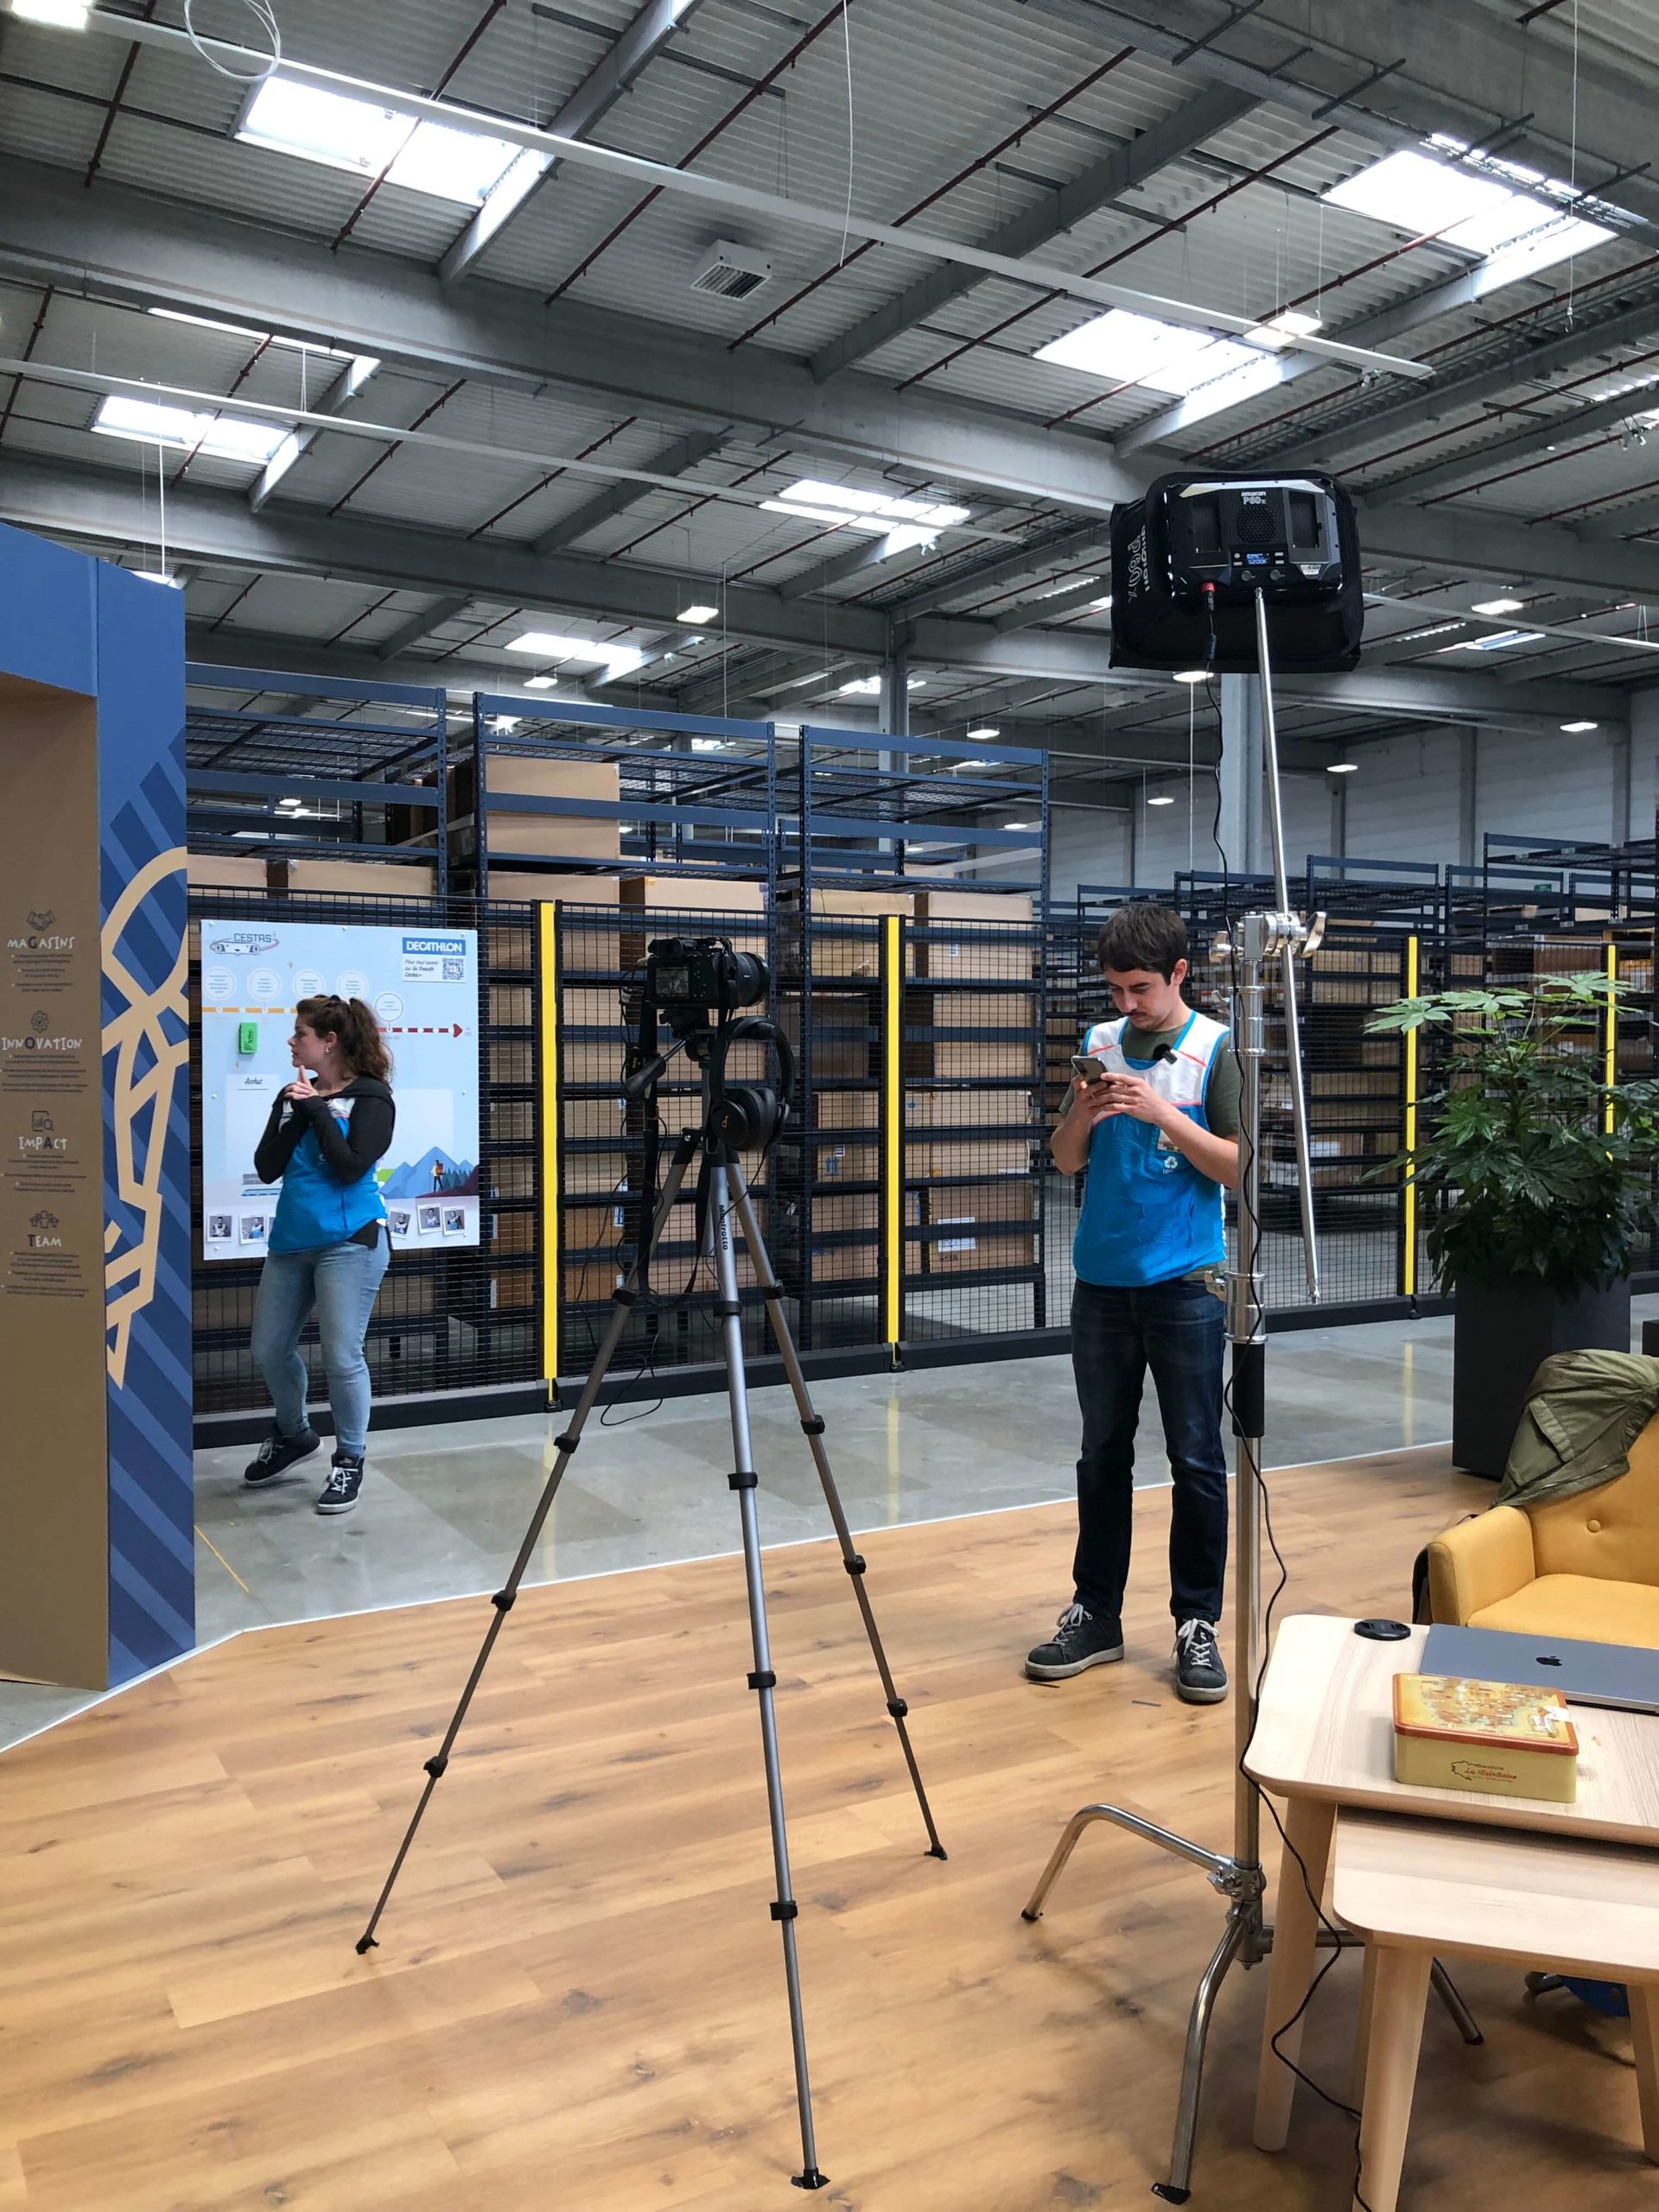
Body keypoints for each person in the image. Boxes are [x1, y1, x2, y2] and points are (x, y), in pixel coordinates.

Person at [1027, 902, 1241, 1703]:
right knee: (1101, 1453)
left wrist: (1162, 1113)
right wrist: (1082, 1114)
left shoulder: (1216, 1049)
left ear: (1179, 973)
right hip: (1102, 1283)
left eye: (1140, 988)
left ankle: (1197, 1623)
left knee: (1196, 1458)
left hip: (1186, 1283)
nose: (1126, 1004)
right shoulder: (1098, 1043)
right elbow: (1062, 1160)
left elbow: (1239, 1168)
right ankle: (1096, 1613)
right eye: (1116, 989)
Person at [244, 995, 396, 1515]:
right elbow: (267, 1167)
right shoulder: (293, 1096)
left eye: (301, 1034)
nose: (292, 1041)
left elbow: (351, 1167)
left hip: (351, 1241)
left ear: (329, 1042)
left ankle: (349, 1457)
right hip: (291, 1242)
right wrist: (298, 1111)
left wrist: (317, 1112)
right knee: (268, 1349)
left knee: (341, 1355)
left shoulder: (372, 1097)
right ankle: (294, 1434)